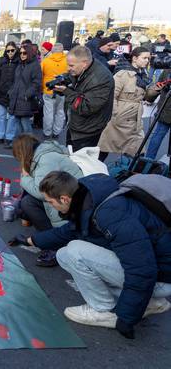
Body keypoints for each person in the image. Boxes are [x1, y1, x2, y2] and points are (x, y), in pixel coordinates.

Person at [12, 171, 171, 339]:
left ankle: (104, 310)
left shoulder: (109, 214)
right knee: (64, 255)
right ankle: (151, 302)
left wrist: (126, 317)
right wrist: (31, 241)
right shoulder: (87, 198)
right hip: (158, 268)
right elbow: (68, 231)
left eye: (51, 202)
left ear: (64, 199)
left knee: (75, 251)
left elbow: (142, 269)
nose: (50, 206)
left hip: (161, 277)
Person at [12, 134, 83, 266]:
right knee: (27, 202)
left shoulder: (46, 159)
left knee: (28, 203)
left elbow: (41, 192)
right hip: (70, 196)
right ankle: (51, 238)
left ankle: (55, 245)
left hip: (72, 202)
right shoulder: (42, 154)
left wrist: (25, 177)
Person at [99, 47, 158, 161]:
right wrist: (115, 115)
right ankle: (92, 173)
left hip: (135, 120)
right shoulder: (122, 74)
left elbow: (146, 98)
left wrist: (155, 90)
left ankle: (129, 176)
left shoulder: (142, 74)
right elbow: (111, 96)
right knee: (104, 150)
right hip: (118, 121)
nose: (147, 61)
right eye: (144, 58)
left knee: (137, 152)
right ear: (135, 58)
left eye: (148, 58)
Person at [52, 46, 114, 152]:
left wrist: (66, 91)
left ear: (84, 63)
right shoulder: (83, 70)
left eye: (71, 65)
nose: (68, 68)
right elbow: (73, 79)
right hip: (76, 126)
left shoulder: (99, 78)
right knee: (72, 161)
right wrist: (63, 80)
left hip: (88, 132)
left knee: (82, 165)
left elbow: (86, 107)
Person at [4, 43, 42, 149]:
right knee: (18, 124)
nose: (22, 55)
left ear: (29, 53)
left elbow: (37, 83)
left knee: (25, 125)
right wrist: (11, 92)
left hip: (26, 100)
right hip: (16, 98)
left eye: (24, 53)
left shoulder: (35, 65)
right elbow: (16, 81)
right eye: (20, 53)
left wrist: (27, 94)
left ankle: (32, 145)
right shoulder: (20, 65)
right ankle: (21, 145)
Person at [41, 43, 68, 139]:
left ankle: (47, 132)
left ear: (52, 50)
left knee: (48, 112)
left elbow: (41, 75)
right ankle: (56, 131)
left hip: (48, 90)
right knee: (60, 111)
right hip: (62, 90)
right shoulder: (67, 61)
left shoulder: (46, 61)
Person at [0, 41, 19, 146]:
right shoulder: (1, 61)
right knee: (1, 116)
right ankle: (0, 136)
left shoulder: (19, 62)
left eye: (12, 50)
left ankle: (9, 137)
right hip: (1, 92)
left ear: (16, 50)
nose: (10, 52)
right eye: (8, 50)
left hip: (13, 93)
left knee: (12, 117)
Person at [145, 70, 171, 159]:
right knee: (158, 135)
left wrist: (150, 98)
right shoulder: (166, 71)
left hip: (165, 109)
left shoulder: (167, 71)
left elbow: (156, 88)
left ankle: (148, 160)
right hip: (165, 109)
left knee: (157, 135)